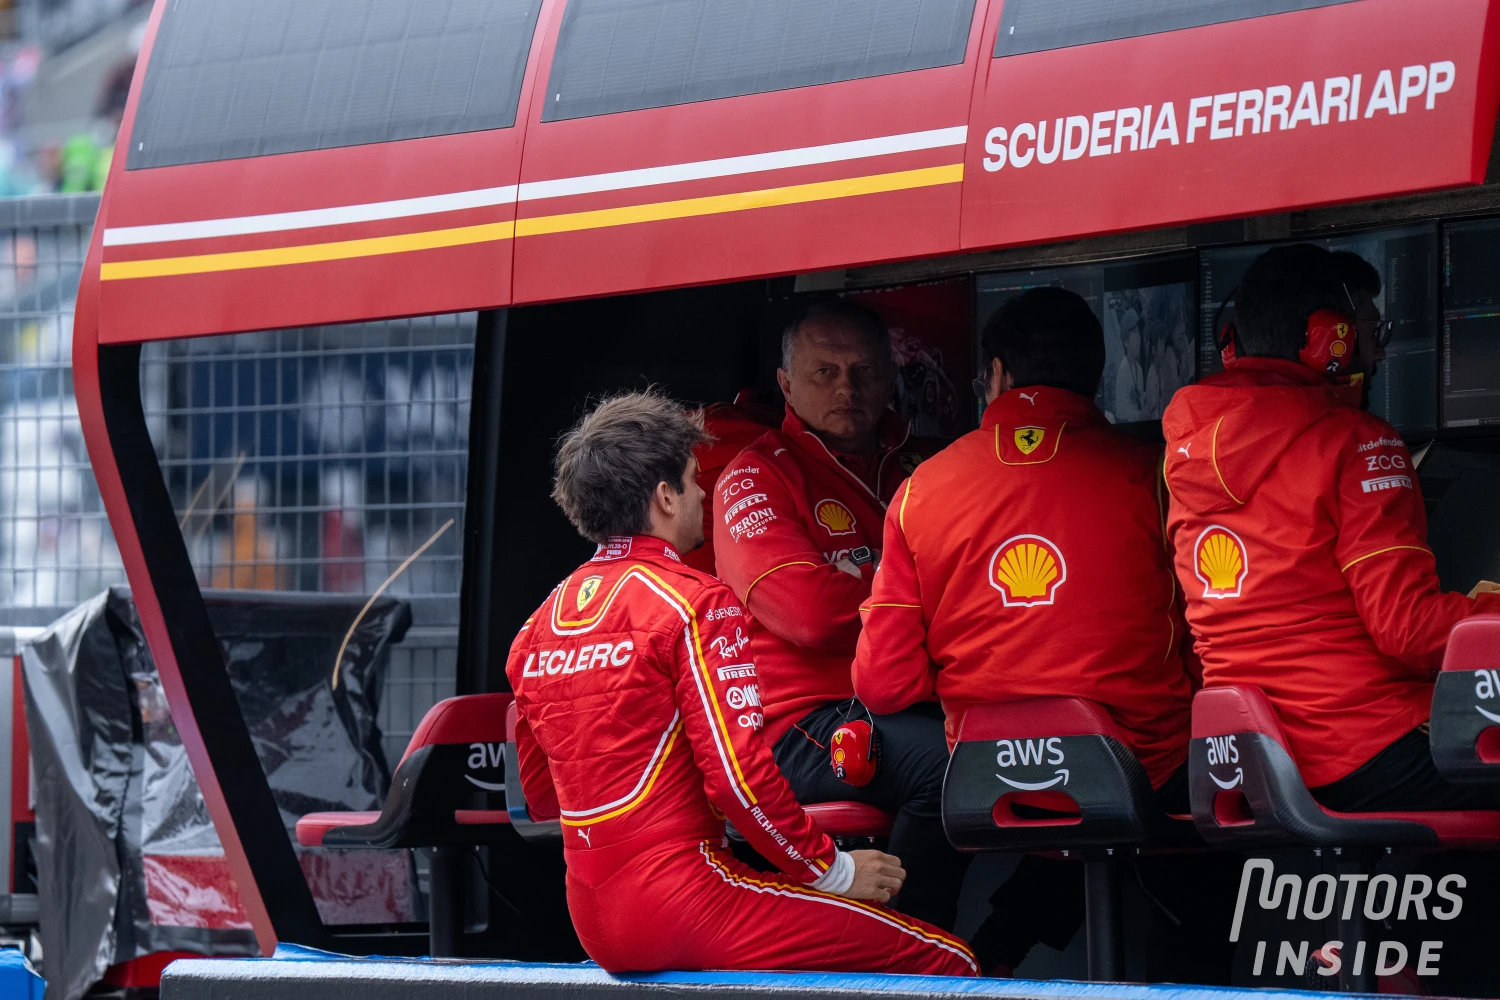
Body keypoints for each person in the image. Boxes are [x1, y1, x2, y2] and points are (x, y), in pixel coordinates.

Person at [506, 391, 976, 976]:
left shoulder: (535, 628)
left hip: (591, 917)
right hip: (687, 898)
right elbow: (737, 777)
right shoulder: (694, 602)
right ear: (665, 497)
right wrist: (834, 872)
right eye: (693, 480)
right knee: (949, 962)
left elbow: (543, 797)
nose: (705, 494)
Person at [852, 287, 1215, 978]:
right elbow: (1208, 641)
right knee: (1196, 826)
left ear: (996, 374)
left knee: (1051, 799)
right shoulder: (1158, 476)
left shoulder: (921, 490)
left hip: (985, 777)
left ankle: (936, 970)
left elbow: (883, 683)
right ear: (1096, 376)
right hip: (1140, 771)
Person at [1163, 244, 1500, 812]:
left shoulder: (1182, 453)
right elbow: (1408, 628)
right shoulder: (1358, 441)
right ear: (1330, 340)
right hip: (1362, 749)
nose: (1380, 352)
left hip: (1245, 758)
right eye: (1370, 332)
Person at [711, 299, 966, 933]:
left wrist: (874, 585)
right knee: (953, 767)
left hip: (923, 698)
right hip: (802, 722)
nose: (847, 388)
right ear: (786, 382)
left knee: (1074, 748)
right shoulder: (754, 477)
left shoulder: (931, 466)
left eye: (864, 370)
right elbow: (811, 616)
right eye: (825, 372)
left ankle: (1004, 944)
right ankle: (912, 951)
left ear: (890, 376)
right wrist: (925, 595)